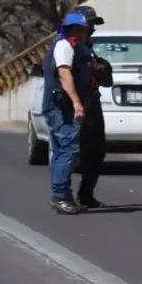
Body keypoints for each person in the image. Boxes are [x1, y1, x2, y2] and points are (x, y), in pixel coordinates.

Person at [42, 12, 95, 214]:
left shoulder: (76, 47)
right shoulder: (64, 46)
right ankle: (60, 195)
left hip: (61, 106)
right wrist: (76, 102)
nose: (85, 33)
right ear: (73, 30)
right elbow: (64, 74)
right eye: (82, 29)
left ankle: (64, 195)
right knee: (69, 149)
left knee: (62, 150)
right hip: (61, 106)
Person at [73, 5, 112, 208]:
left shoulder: (89, 47)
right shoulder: (68, 45)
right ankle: (62, 195)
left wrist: (101, 69)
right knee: (73, 152)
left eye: (93, 25)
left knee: (97, 151)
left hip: (92, 104)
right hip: (75, 104)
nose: (91, 28)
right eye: (89, 24)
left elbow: (105, 79)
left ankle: (86, 195)